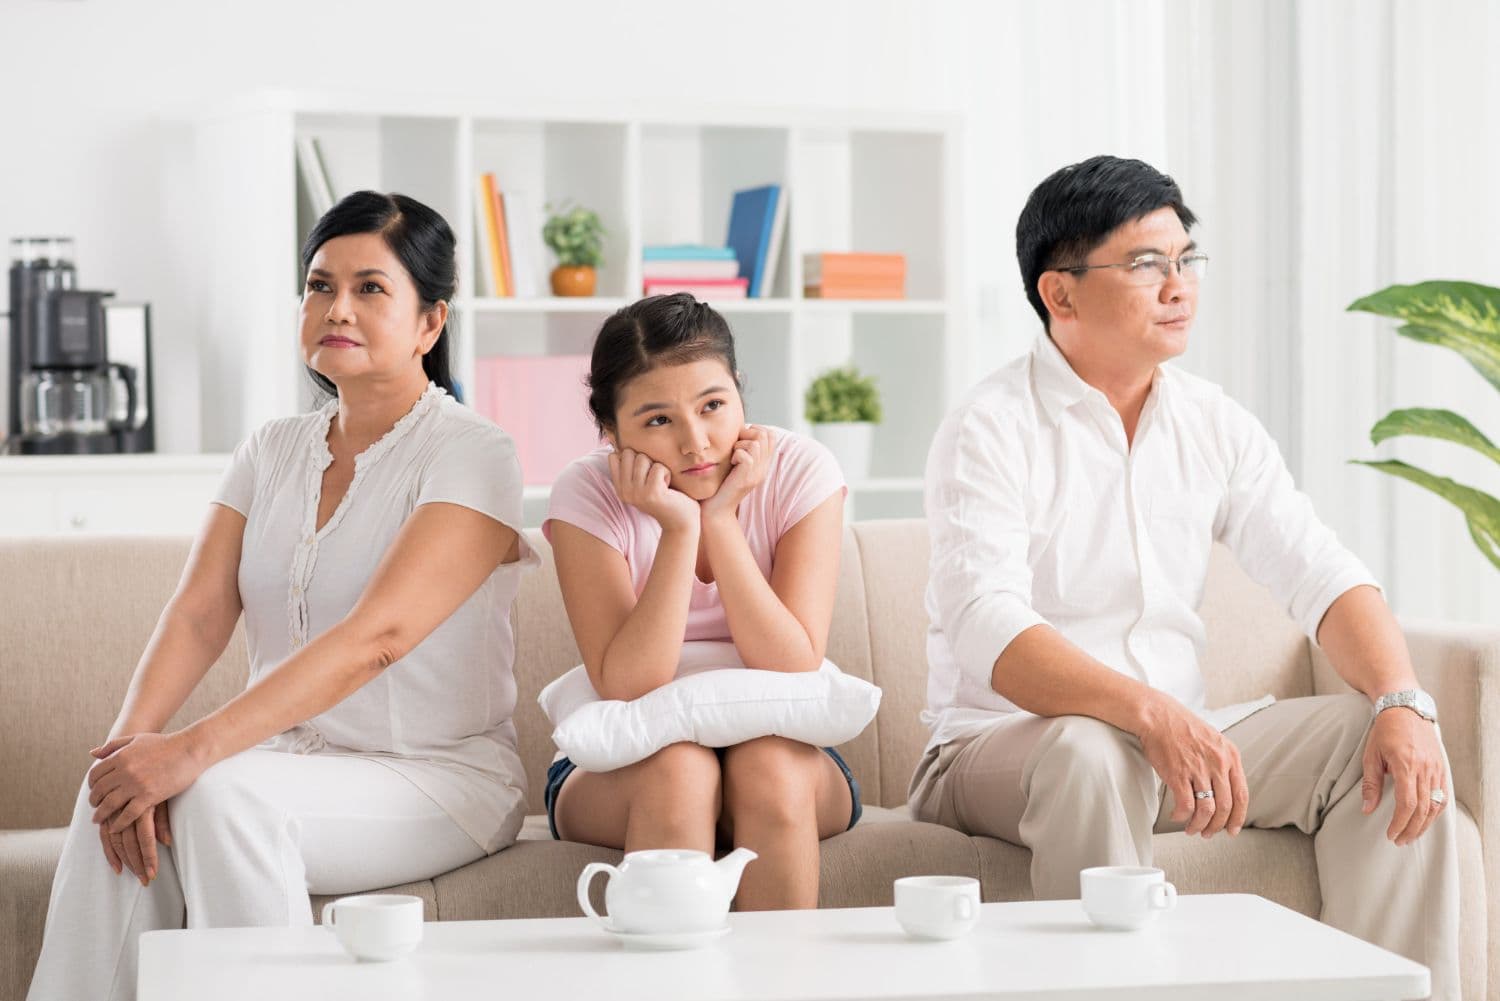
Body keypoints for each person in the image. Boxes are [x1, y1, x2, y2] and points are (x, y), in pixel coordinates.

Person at [910, 156, 1458, 997]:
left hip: (1171, 741)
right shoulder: (989, 426)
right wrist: (1148, 710)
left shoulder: (1214, 422)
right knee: (1087, 748)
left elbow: (1320, 570)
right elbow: (990, 627)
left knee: (1381, 738)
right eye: (1145, 264)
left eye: (1185, 259)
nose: (1179, 286)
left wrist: (1401, 698)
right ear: (1060, 293)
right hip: (1001, 747)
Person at [27, 191, 537, 1001]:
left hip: (439, 774)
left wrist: (192, 749)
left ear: (430, 323)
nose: (337, 307)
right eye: (319, 284)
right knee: (115, 800)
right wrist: (128, 752)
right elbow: (198, 612)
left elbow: (383, 634)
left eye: (371, 288)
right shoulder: (270, 449)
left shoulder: (475, 453)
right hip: (291, 760)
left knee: (224, 795)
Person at [544, 293, 859, 910]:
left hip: (786, 754)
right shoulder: (586, 492)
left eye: (713, 406)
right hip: (625, 766)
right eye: (657, 420)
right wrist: (679, 531)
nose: (697, 443)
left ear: (739, 390)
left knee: (767, 767)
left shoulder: (799, 470)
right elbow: (628, 684)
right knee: (681, 772)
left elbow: (792, 661)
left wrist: (721, 521)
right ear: (610, 432)